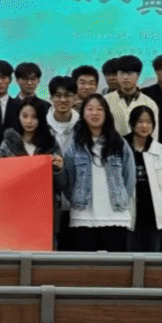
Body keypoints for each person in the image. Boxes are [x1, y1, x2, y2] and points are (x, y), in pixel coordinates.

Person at [56, 94, 135, 252]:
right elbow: (67, 182)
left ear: (106, 114)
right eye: (90, 109)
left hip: (116, 216)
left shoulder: (120, 143)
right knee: (87, 265)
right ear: (83, 114)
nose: (94, 113)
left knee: (115, 264)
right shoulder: (74, 146)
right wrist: (77, 197)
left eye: (99, 109)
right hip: (83, 217)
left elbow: (129, 178)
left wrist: (122, 198)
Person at [0, 102, 64, 245]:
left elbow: (62, 184)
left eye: (34, 117)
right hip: (14, 212)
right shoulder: (8, 144)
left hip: (45, 212)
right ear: (18, 117)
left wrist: (58, 170)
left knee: (45, 254)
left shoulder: (50, 144)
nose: (29, 121)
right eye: (25, 116)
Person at [124, 106, 162, 252]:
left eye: (149, 122)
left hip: (152, 211)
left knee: (153, 254)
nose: (144, 126)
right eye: (140, 122)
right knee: (128, 254)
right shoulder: (122, 147)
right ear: (132, 123)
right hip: (127, 211)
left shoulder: (159, 149)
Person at [46, 76, 80, 248]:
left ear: (75, 98)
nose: (62, 100)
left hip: (78, 198)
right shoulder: (41, 126)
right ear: (50, 98)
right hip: (49, 198)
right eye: (57, 96)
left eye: (67, 95)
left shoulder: (83, 125)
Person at [104, 55, 158, 137]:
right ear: (117, 75)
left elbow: (153, 136)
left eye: (129, 73)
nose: (125, 77)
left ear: (138, 75)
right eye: (122, 73)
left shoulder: (150, 104)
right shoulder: (105, 101)